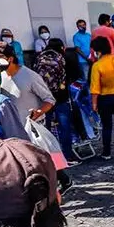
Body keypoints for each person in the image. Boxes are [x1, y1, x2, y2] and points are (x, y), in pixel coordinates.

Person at [38, 38, 82, 166]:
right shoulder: (63, 58)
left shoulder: (39, 57)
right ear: (62, 47)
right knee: (64, 127)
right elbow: (71, 76)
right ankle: (67, 156)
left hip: (44, 99)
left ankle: (49, 158)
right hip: (60, 97)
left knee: (46, 130)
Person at [0, 41, 55, 128]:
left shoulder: (30, 76)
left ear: (10, 59)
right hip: (13, 130)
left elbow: (50, 100)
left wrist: (38, 112)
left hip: (32, 129)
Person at [89, 36, 114, 160]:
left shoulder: (97, 65)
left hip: (105, 99)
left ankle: (107, 153)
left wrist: (94, 104)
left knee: (107, 126)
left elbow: (95, 88)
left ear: (98, 50)